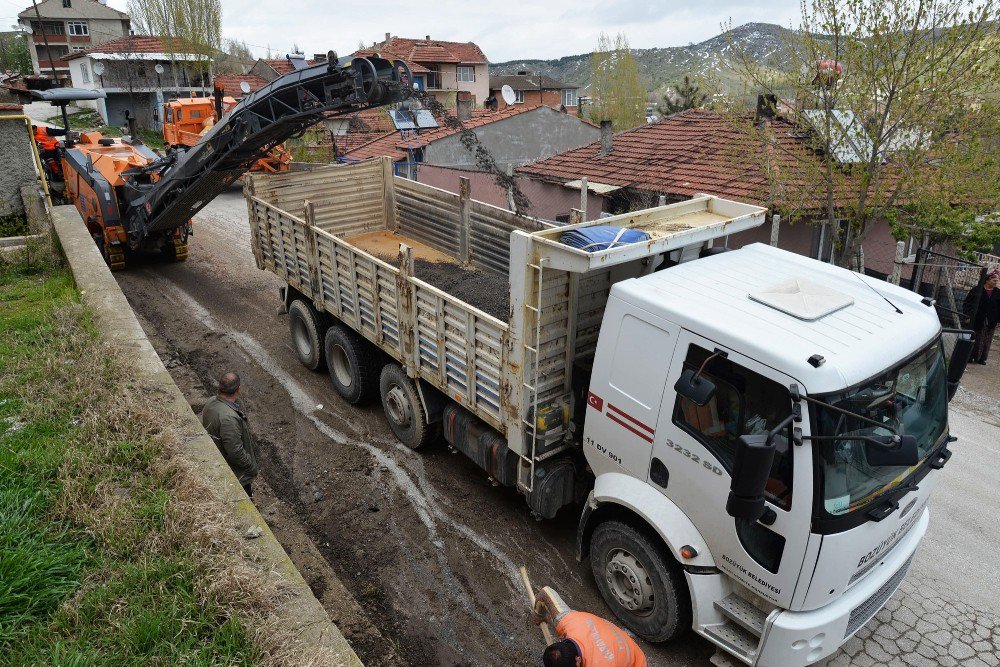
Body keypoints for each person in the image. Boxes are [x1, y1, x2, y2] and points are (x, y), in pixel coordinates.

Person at [532, 587, 647, 667]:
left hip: (636, 662)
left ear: (578, 660)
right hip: (616, 644)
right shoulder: (569, 620)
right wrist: (538, 615)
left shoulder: (600, 664)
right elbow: (545, 593)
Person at [201, 371, 259, 498]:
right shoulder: (228, 418)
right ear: (238, 389)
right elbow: (235, 452)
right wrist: (251, 466)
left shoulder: (211, 401)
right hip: (237, 474)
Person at [963, 269, 1000, 365]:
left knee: (987, 339)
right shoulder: (977, 289)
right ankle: (971, 357)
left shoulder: (997, 292)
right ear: (988, 280)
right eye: (994, 280)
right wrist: (967, 316)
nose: (996, 282)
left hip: (992, 318)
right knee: (976, 337)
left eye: (997, 281)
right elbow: (967, 303)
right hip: (977, 317)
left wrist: (999, 321)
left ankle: (982, 358)